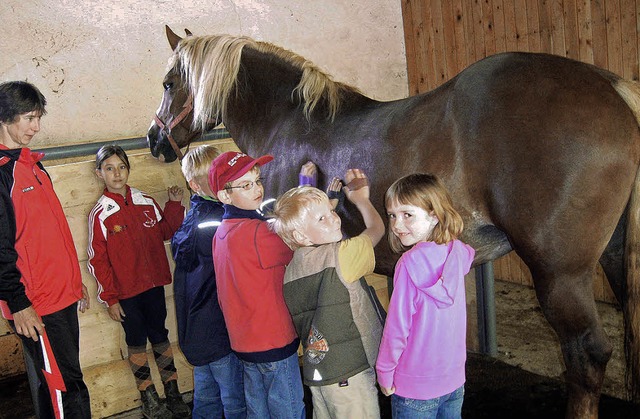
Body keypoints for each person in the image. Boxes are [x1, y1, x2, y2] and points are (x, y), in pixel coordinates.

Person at [0, 80, 91, 419]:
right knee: (65, 390)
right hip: (36, 305)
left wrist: (73, 280)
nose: (36, 127)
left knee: (62, 383)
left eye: (38, 117)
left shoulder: (32, 166)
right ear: (5, 117)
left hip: (60, 295)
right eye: (27, 118)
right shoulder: (3, 175)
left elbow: (51, 234)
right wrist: (18, 302)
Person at [271, 169, 385, 419]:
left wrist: (322, 210)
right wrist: (362, 200)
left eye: (332, 212)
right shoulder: (341, 255)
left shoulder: (291, 270)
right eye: (322, 219)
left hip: (319, 375)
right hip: (350, 375)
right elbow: (376, 230)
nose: (334, 219)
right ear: (300, 235)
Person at [86, 145, 190, 419]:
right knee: (135, 342)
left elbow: (165, 232)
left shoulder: (146, 201)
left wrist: (174, 205)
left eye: (121, 167)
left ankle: (174, 392)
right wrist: (110, 298)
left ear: (129, 170)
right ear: (99, 174)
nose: (117, 173)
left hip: (154, 287)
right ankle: (148, 396)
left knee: (160, 337)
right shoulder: (101, 213)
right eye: (109, 168)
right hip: (126, 294)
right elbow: (97, 259)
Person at [208, 151, 306, 418]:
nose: (257, 189)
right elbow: (301, 243)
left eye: (258, 180)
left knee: (258, 410)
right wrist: (307, 190)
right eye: (246, 184)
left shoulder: (221, 232)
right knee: (288, 409)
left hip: (244, 343)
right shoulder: (258, 233)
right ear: (225, 195)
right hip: (274, 340)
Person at [376, 173, 475, 419]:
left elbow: (397, 327)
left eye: (407, 214)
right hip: (453, 381)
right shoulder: (458, 252)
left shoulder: (409, 263)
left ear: (434, 215)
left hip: (414, 388)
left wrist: (384, 370)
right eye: (392, 215)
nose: (397, 225)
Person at [170, 144, 246, 418]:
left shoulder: (192, 219)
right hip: (219, 330)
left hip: (196, 331)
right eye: (215, 174)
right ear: (194, 184)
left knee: (206, 397)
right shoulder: (220, 221)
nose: (223, 180)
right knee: (235, 399)